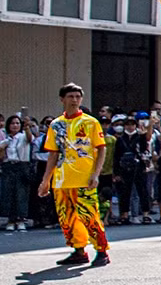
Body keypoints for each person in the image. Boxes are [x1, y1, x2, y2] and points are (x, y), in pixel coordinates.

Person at [37, 82, 110, 267]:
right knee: (66, 217)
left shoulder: (90, 122)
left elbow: (101, 149)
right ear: (62, 99)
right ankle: (79, 250)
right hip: (62, 179)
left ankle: (101, 251)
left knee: (89, 215)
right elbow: (53, 154)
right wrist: (46, 180)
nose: (75, 100)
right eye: (71, 96)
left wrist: (96, 174)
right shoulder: (56, 125)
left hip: (84, 178)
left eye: (78, 97)